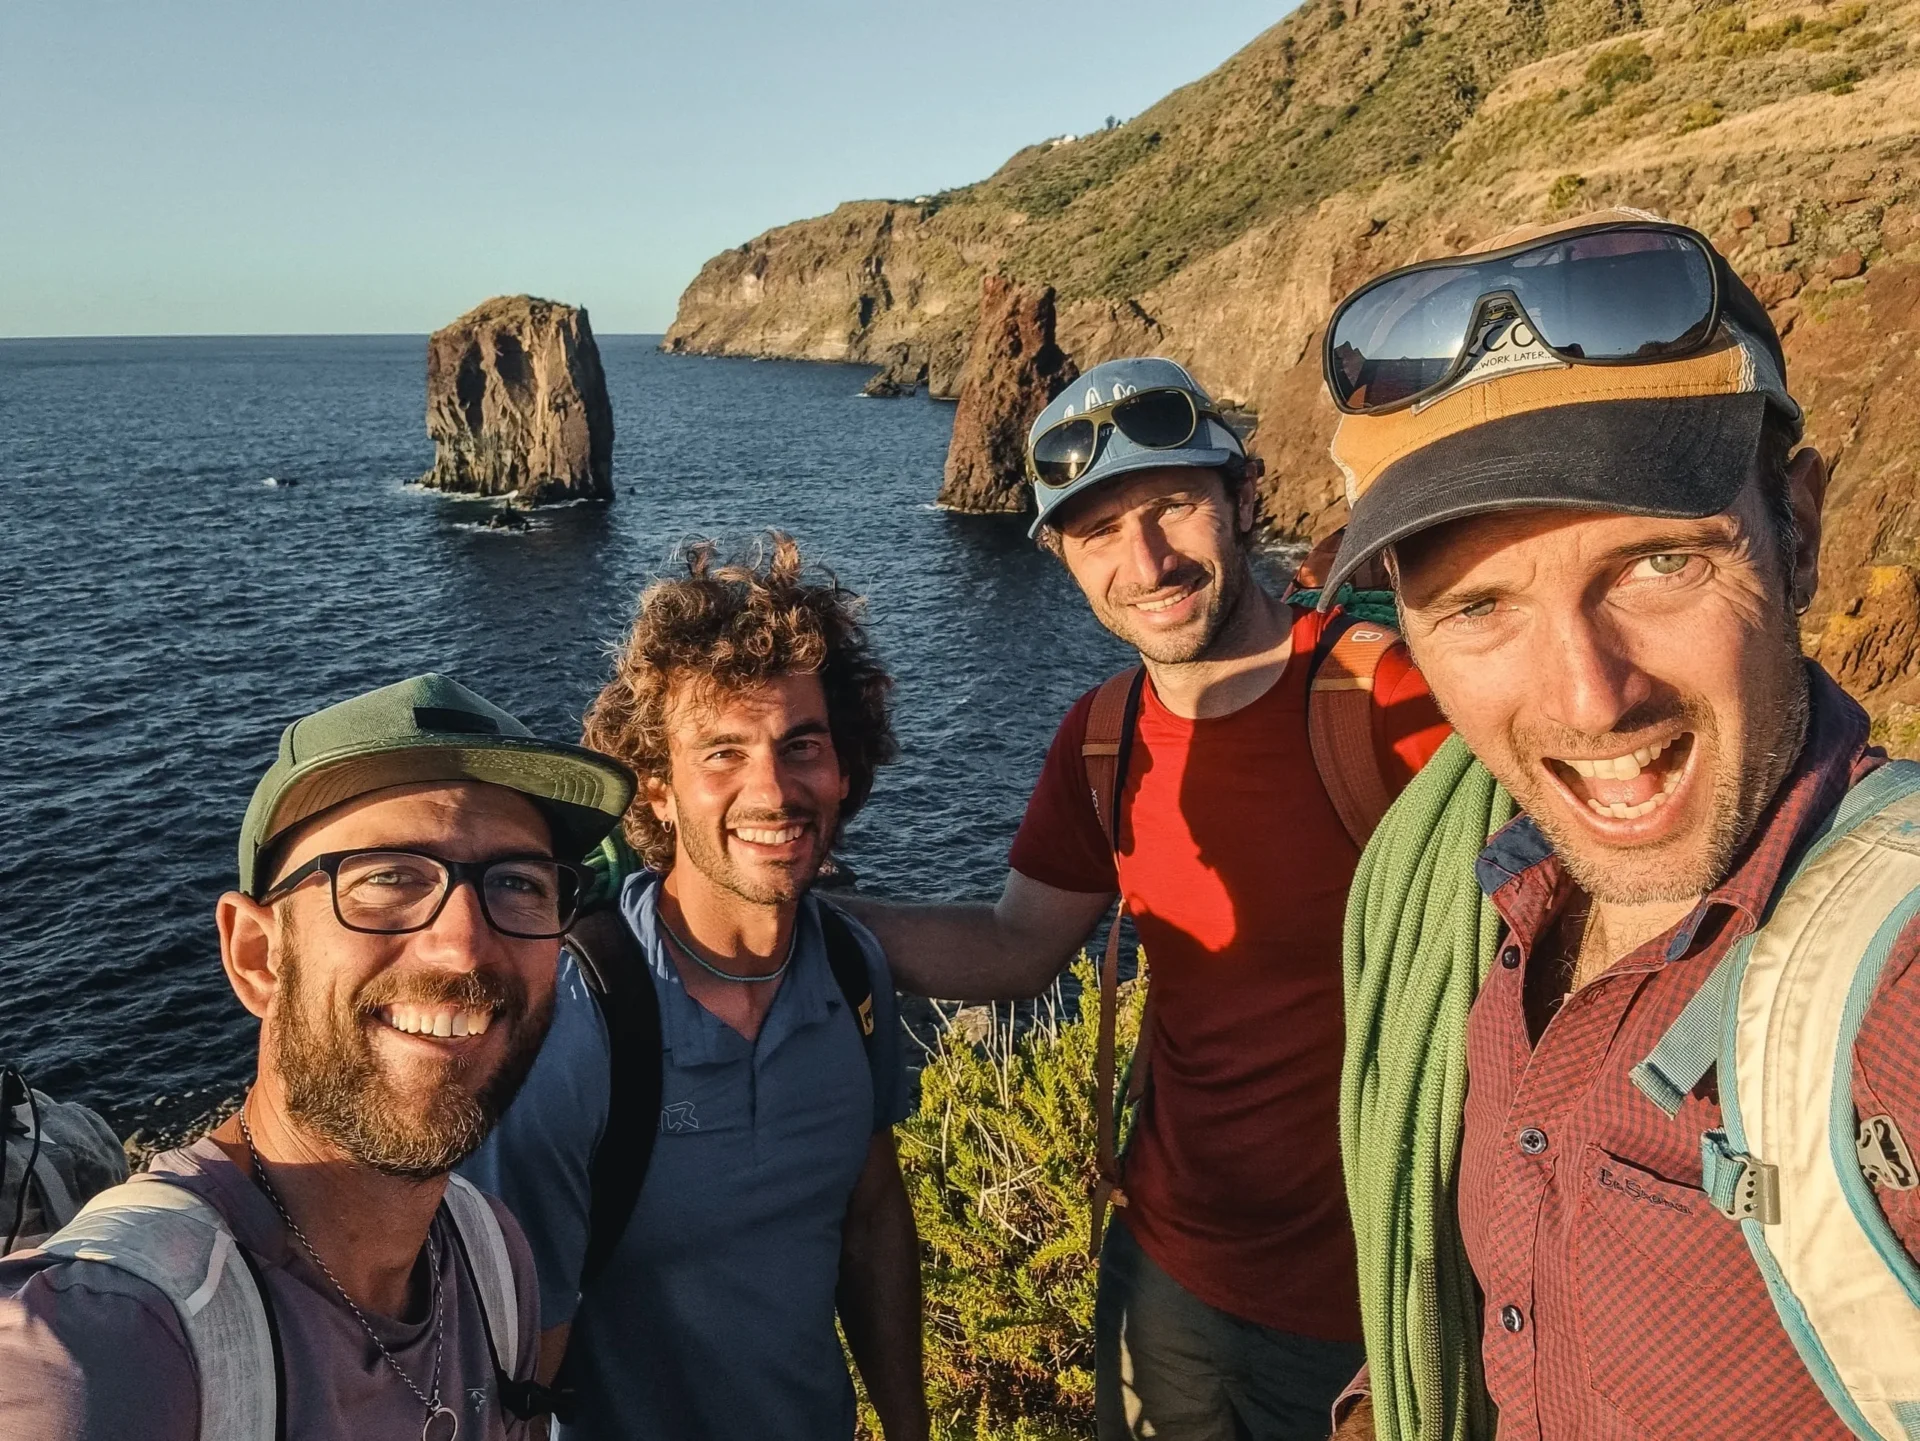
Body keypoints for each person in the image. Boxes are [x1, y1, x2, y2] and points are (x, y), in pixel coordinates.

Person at [1324, 211, 1920, 1440]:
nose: (1590, 698)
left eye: (1659, 565)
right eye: (1479, 604)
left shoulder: (1893, 996)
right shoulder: (1491, 905)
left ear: (1798, 532)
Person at [834, 356, 1451, 1441]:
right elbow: (1018, 945)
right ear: (1064, 558)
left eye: (1171, 506)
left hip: (1369, 1310)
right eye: (1098, 532)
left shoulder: (1385, 698)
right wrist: (814, 917)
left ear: (1245, 494)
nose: (1147, 561)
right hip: (1164, 1271)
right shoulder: (1104, 739)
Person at [0, 672, 636, 1440]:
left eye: (517, 882)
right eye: (389, 876)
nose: (465, 942)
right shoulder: (102, 1347)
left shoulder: (491, 1256)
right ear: (256, 955)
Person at [462, 535, 926, 1441]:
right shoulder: (582, 1020)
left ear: (843, 765)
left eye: (802, 744)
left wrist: (909, 1428)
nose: (773, 789)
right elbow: (515, 1351)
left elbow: (870, 1217)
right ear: (657, 786)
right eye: (721, 752)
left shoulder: (848, 970)